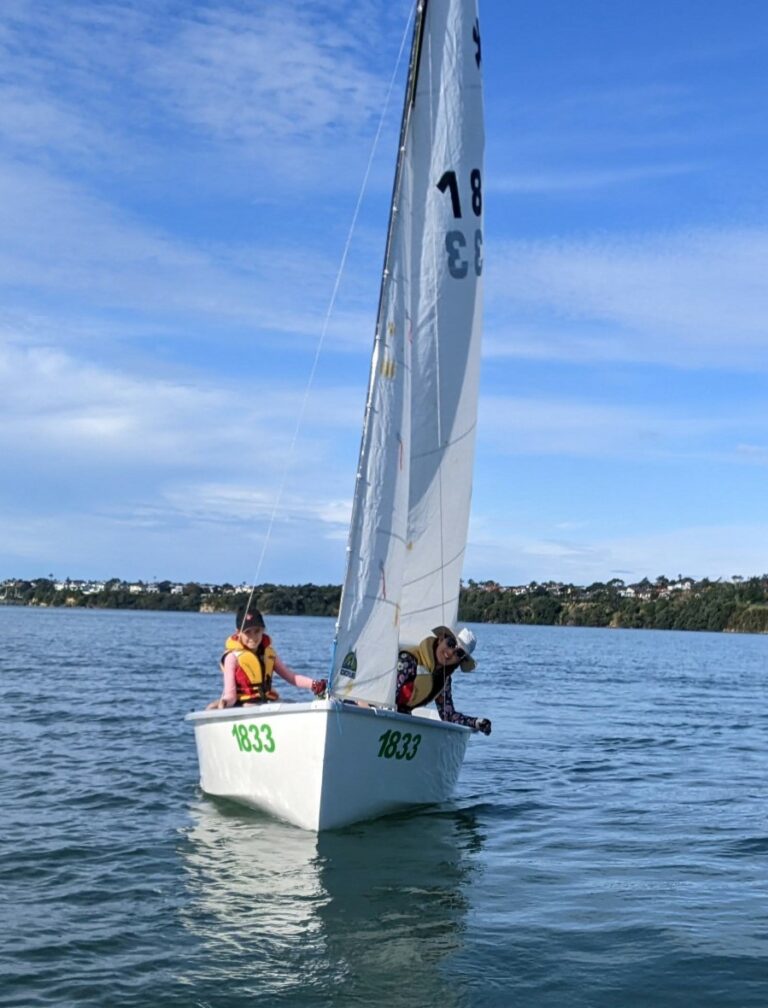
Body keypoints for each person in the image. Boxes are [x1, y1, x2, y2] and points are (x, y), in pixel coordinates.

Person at [207, 607, 326, 709]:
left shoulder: (269, 654)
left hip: (267, 703)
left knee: (290, 704)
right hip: (244, 706)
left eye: (257, 631)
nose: (253, 637)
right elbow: (230, 695)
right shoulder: (232, 658)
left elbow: (291, 677)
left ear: (263, 631)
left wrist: (315, 685)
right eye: (248, 632)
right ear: (238, 633)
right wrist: (224, 702)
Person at [395, 625, 491, 734]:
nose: (450, 652)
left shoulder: (444, 680)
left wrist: (476, 722)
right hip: (383, 715)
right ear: (441, 639)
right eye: (450, 644)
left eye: (459, 653)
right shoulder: (408, 660)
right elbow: (388, 696)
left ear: (460, 661)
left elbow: (448, 715)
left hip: (399, 720)